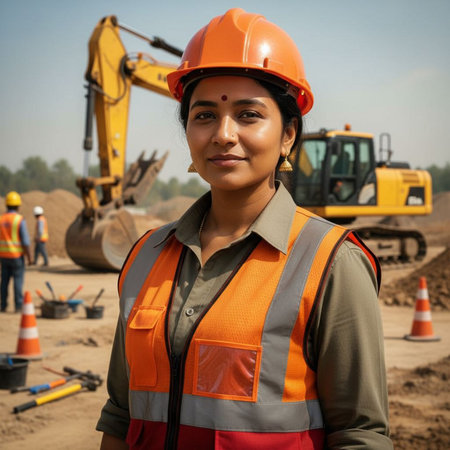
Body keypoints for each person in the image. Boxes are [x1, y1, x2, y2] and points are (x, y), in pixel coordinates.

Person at [97, 8, 392, 449]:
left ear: (288, 134)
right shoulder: (145, 256)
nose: (223, 134)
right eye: (203, 116)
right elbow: (121, 416)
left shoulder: (332, 262)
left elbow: (359, 434)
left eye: (248, 114)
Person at [0, 191, 32, 312]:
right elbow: (25, 241)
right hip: (16, 256)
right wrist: (30, 258)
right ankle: (18, 305)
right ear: (18, 205)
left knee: (4, 282)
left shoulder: (1, 219)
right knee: (18, 281)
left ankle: (3, 305)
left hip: (3, 256)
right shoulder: (19, 220)